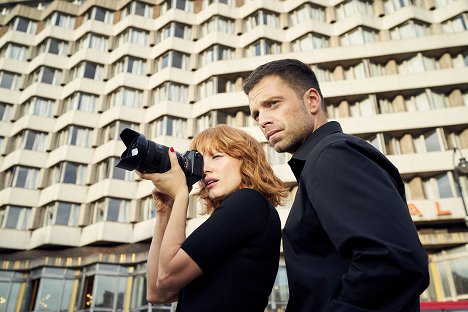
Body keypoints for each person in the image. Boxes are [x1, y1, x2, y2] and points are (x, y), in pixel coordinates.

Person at [244, 58, 430, 312]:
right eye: (256, 114)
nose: (262, 120)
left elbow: (391, 263)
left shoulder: (333, 154)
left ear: (312, 100)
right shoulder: (319, 162)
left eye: (273, 104)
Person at [137, 124, 288, 311]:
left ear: (247, 161)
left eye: (216, 157)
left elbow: (168, 276)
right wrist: (164, 212)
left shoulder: (249, 202)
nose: (206, 169)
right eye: (201, 163)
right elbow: (156, 292)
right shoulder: (238, 215)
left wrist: (181, 194)